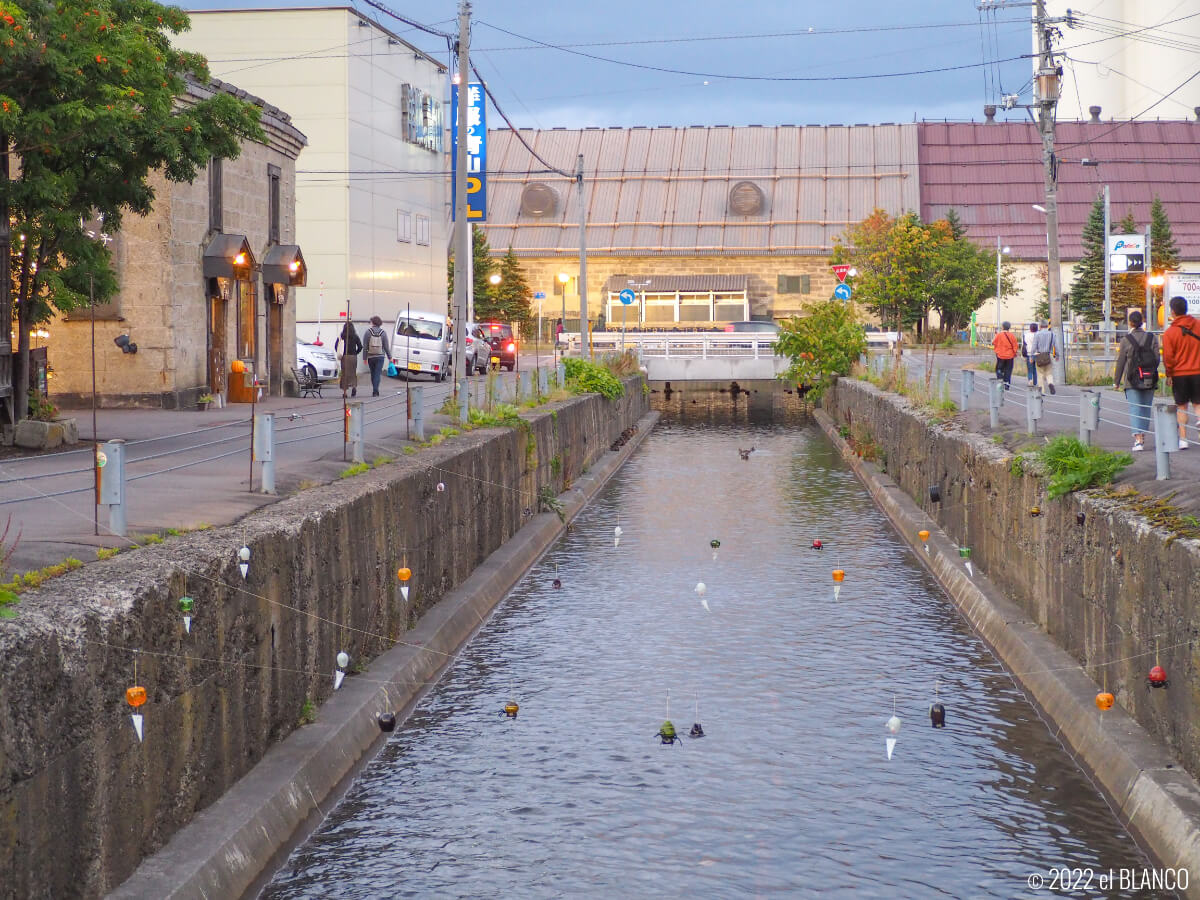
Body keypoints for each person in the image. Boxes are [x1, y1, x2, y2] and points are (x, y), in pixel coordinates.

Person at [1112, 310, 1158, 452]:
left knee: (1135, 408)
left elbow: (1121, 361)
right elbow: (1157, 359)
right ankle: (1142, 435)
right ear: (1142, 322)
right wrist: (1149, 371)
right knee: (1145, 408)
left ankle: (1138, 440)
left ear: (1130, 323)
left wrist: (1117, 381)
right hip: (1149, 378)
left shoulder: (1126, 340)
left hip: (1132, 380)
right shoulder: (1152, 338)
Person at [1161, 295, 1200, 450]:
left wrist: (1169, 373)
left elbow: (1168, 357)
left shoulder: (1170, 333)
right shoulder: (1198, 325)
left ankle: (1183, 439)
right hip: (1198, 371)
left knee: (1181, 406)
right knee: (1198, 403)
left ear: (1172, 311)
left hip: (1180, 374)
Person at [362, 315, 392, 397]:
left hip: (371, 356)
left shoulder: (368, 332)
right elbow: (386, 346)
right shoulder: (383, 333)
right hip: (380, 356)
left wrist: (364, 358)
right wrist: (390, 357)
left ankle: (374, 389)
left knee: (373, 373)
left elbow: (365, 346)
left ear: (373, 322)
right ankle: (376, 390)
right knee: (377, 374)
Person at [335, 321, 361, 399]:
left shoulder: (341, 336)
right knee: (353, 373)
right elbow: (360, 346)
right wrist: (356, 352)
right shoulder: (355, 336)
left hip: (344, 357)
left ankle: (345, 392)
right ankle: (354, 387)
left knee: (344, 374)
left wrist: (340, 352)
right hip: (353, 357)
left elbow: (336, 346)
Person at [1031, 320, 1057, 394]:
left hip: (1039, 355)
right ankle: (1050, 383)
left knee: (1040, 374)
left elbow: (1034, 346)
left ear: (1040, 326)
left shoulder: (1037, 334)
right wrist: (1057, 355)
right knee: (1049, 373)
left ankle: (1042, 391)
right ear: (1047, 326)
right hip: (1048, 355)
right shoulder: (1052, 334)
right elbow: (1055, 345)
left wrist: (1032, 356)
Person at [992, 321, 1019, 389]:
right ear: (1009, 327)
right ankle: (1007, 384)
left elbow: (993, 342)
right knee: (1008, 370)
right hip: (1010, 355)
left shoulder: (999, 335)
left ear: (1002, 327)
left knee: (998, 369)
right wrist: (1015, 352)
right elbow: (1015, 345)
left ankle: (1000, 379)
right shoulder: (1012, 335)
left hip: (1000, 355)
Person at [1023, 322, 1039, 387]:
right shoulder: (1038, 335)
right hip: (1037, 354)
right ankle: (1035, 382)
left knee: (1030, 369)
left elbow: (1024, 344)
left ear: (1030, 328)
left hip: (1029, 353)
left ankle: (1030, 380)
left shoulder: (1026, 335)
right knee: (1035, 369)